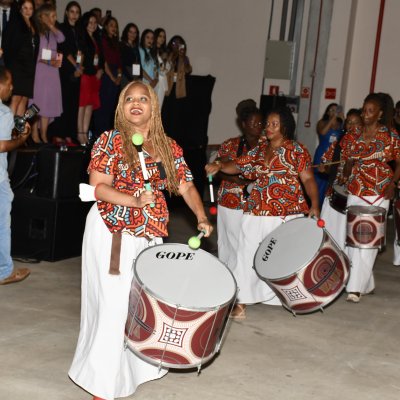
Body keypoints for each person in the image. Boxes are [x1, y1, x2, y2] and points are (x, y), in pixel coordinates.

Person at [68, 80, 213, 400]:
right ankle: (102, 382)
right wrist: (133, 201)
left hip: (150, 235)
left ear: (153, 107)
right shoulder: (110, 141)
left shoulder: (167, 146)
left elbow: (187, 185)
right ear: (121, 106)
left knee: (142, 306)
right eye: (129, 98)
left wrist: (202, 217)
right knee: (112, 305)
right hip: (113, 232)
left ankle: (137, 370)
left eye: (143, 99)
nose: (136, 103)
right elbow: (98, 186)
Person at [206, 106, 319, 318]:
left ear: (284, 127)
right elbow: (238, 166)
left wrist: (315, 204)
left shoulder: (296, 150)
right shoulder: (258, 150)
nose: (268, 128)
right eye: (268, 124)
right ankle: (241, 301)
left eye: (274, 124)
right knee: (246, 253)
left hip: (286, 212)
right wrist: (219, 165)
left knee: (281, 257)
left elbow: (308, 179)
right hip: (256, 210)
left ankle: (282, 296)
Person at [340, 93, 400, 303]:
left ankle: (354, 288)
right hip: (356, 189)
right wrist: (347, 170)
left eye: (370, 111)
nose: (365, 114)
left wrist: (393, 184)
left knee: (369, 240)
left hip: (379, 191)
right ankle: (366, 282)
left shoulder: (390, 135)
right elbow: (347, 161)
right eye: (364, 110)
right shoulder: (352, 134)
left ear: (380, 114)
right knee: (353, 237)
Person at [215, 103, 264, 319]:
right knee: (228, 247)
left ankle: (244, 295)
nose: (257, 126)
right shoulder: (230, 145)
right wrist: (242, 179)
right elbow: (220, 169)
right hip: (230, 202)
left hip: (255, 206)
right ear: (243, 124)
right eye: (252, 123)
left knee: (248, 250)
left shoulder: (267, 147)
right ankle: (227, 290)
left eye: (260, 122)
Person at [0, 66, 31, 285]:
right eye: (9, 83)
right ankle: (4, 271)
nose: (12, 87)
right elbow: (2, 145)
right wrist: (21, 139)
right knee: (2, 223)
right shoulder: (3, 112)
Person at [319, 108, 362, 250]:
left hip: (352, 196)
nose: (351, 126)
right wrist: (324, 167)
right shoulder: (339, 141)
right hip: (334, 192)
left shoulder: (365, 145)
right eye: (349, 122)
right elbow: (327, 162)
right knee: (327, 227)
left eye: (356, 123)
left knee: (344, 232)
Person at [47, 0, 83, 146]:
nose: (74, 15)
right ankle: (58, 134)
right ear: (67, 12)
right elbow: (65, 49)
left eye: (77, 12)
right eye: (72, 11)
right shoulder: (62, 28)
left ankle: (69, 134)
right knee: (63, 102)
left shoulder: (79, 30)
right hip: (66, 69)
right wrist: (75, 67)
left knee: (73, 104)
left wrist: (80, 66)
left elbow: (81, 51)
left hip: (77, 70)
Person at [30, 3, 64, 143]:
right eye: (51, 16)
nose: (54, 19)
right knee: (36, 103)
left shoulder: (52, 32)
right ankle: (33, 134)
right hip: (40, 72)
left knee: (47, 104)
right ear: (42, 16)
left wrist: (50, 25)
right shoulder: (36, 31)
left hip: (52, 73)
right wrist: (50, 62)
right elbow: (37, 55)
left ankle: (43, 134)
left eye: (55, 16)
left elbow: (62, 38)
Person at [3, 0, 39, 117]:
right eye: (25, 8)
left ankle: (18, 132)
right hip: (17, 66)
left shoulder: (34, 24)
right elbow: (7, 45)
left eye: (30, 8)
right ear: (20, 9)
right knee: (16, 98)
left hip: (29, 67)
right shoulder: (15, 22)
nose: (28, 11)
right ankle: (9, 130)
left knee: (24, 100)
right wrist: (10, 65)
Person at [92, 15, 122, 138]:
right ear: (105, 27)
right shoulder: (103, 40)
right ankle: (99, 135)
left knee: (111, 107)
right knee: (103, 106)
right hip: (107, 75)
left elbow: (120, 62)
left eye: (115, 26)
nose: (114, 28)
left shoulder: (116, 43)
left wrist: (119, 76)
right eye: (111, 25)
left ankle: (108, 135)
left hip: (115, 75)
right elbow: (104, 61)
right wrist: (112, 77)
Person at [77, 11, 104, 145]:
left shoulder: (97, 38)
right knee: (82, 104)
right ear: (85, 23)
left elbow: (101, 59)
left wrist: (100, 70)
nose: (93, 25)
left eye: (95, 22)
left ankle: (85, 133)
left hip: (94, 75)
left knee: (89, 106)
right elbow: (81, 57)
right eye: (90, 22)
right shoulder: (82, 38)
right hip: (85, 75)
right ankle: (79, 133)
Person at [314, 103, 344, 207]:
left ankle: (326, 208)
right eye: (331, 110)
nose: (334, 112)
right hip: (321, 156)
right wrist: (333, 118)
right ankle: (315, 207)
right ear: (327, 112)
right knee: (319, 183)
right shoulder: (322, 123)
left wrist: (342, 118)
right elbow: (323, 132)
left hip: (334, 158)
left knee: (330, 184)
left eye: (336, 110)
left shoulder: (340, 126)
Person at [165, 35, 192, 100]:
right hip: (168, 86)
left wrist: (183, 57)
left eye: (179, 43)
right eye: (174, 43)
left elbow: (188, 70)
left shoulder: (184, 58)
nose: (176, 45)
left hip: (179, 87)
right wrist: (172, 56)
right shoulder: (167, 55)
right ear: (171, 45)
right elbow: (165, 68)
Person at [120, 22, 141, 87]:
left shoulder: (136, 46)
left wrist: (140, 77)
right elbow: (121, 64)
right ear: (126, 32)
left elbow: (139, 62)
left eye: (135, 32)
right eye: (130, 32)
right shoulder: (121, 45)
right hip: (126, 75)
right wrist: (130, 78)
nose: (133, 34)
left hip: (136, 75)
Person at [153, 27, 169, 109]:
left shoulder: (163, 52)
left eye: (164, 37)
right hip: (154, 81)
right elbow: (156, 68)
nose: (162, 39)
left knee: (158, 109)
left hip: (161, 83)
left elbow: (166, 70)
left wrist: (166, 87)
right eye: (160, 36)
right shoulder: (152, 50)